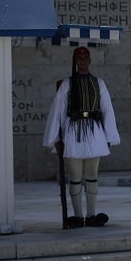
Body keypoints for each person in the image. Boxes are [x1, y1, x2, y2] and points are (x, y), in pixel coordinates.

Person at [43, 47, 121, 228]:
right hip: (73, 132)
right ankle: (78, 216)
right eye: (80, 58)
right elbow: (58, 112)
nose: (83, 61)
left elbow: (107, 110)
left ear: (90, 60)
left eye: (86, 58)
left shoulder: (98, 83)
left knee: (92, 175)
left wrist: (110, 135)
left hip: (94, 132)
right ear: (75, 61)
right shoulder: (67, 84)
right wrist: (55, 138)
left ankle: (91, 215)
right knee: (75, 175)